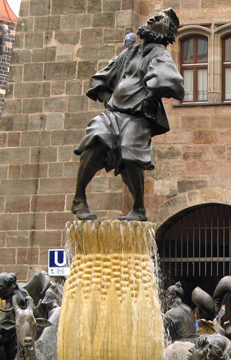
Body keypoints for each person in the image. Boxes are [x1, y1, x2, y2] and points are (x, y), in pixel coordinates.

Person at [72, 8, 185, 221]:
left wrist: (150, 98)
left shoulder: (160, 54)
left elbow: (171, 82)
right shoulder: (129, 53)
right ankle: (79, 198)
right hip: (114, 113)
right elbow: (100, 80)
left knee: (130, 154)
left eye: (158, 19)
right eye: (152, 16)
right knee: (96, 137)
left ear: (165, 31)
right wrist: (108, 100)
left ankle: (139, 208)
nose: (151, 19)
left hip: (137, 117)